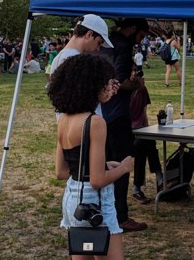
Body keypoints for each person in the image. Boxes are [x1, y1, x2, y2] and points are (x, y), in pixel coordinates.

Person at [50, 54, 134, 260]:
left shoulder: (64, 119)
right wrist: (123, 167)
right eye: (107, 83)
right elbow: (97, 181)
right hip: (94, 201)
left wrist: (102, 164)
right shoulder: (94, 122)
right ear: (92, 85)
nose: (110, 88)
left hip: (73, 199)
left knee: (83, 253)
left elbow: (62, 171)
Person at [99, 18, 150, 233]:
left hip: (101, 114)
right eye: (140, 36)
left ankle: (103, 212)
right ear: (132, 29)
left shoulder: (105, 42)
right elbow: (118, 83)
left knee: (103, 165)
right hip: (118, 115)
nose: (140, 41)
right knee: (121, 165)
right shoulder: (123, 45)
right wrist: (137, 84)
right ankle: (120, 217)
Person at [129, 62, 161, 204]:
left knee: (147, 141)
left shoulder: (141, 90)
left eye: (136, 71)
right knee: (143, 144)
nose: (134, 74)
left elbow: (144, 112)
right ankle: (159, 177)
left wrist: (147, 129)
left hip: (140, 129)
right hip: (126, 131)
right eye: (132, 71)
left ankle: (138, 188)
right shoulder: (121, 91)